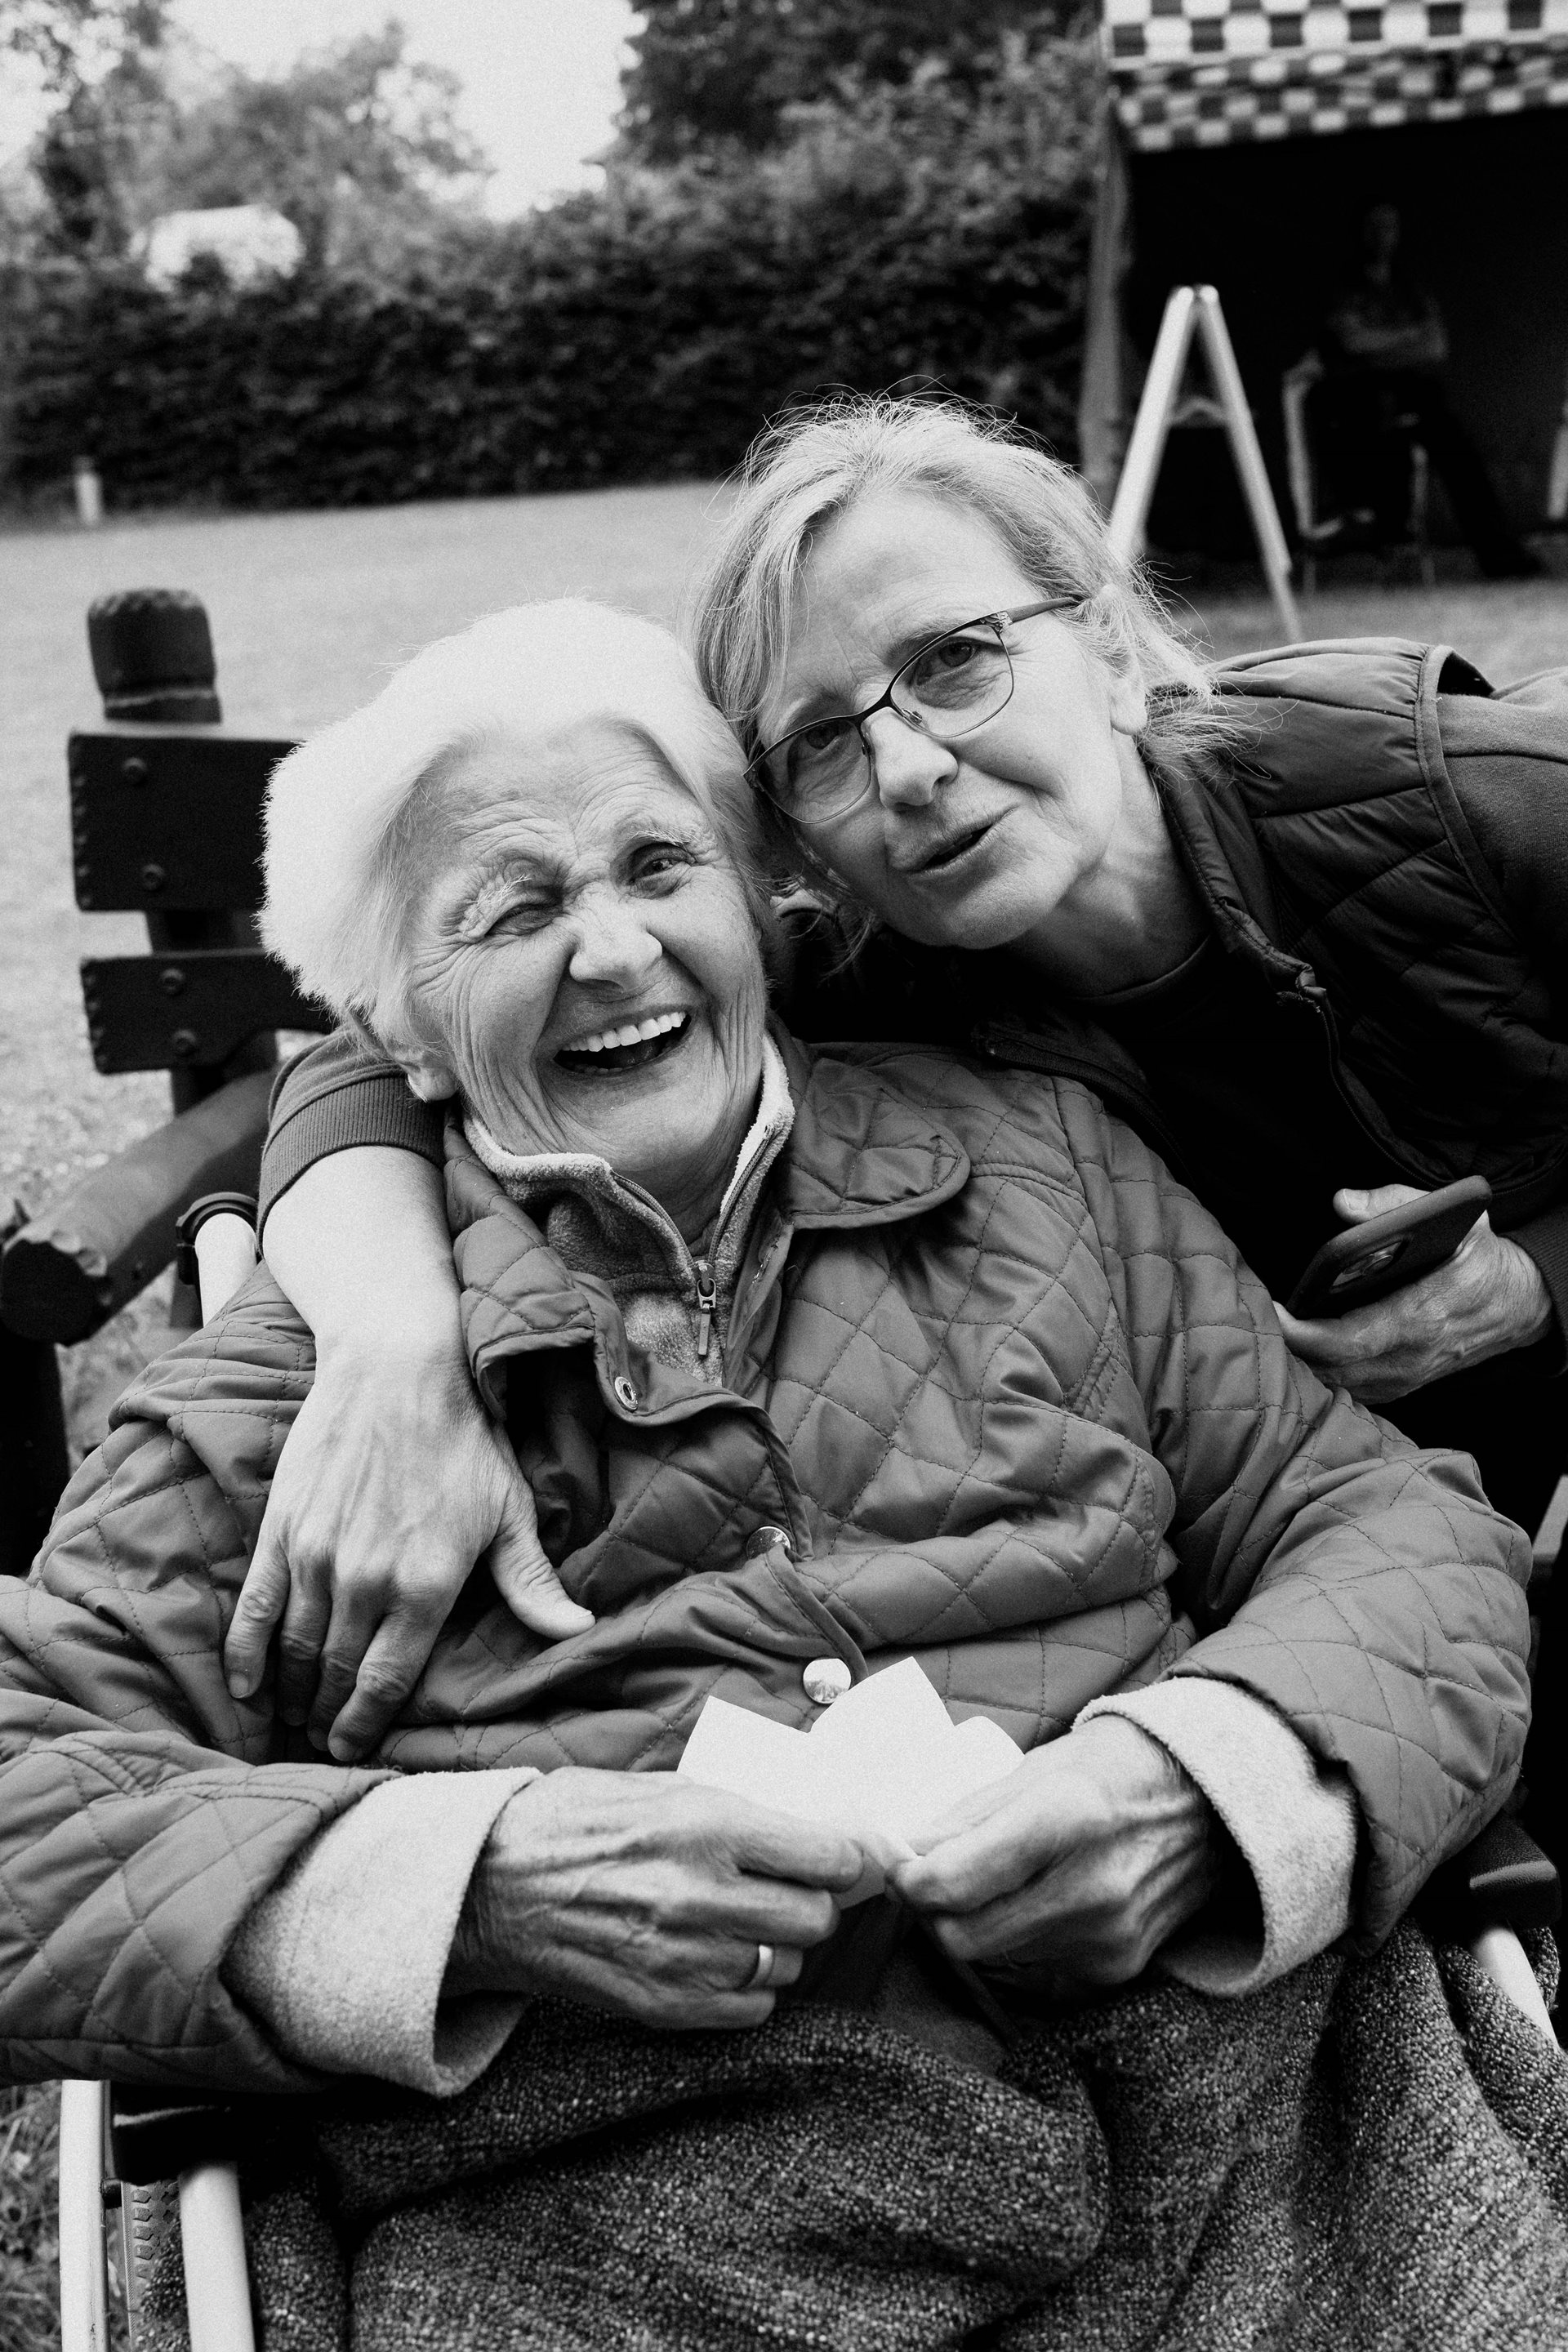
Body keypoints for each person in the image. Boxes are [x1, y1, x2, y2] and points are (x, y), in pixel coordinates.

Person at [0, 602, 1550, 2345]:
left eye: (661, 866)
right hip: (621, 2228)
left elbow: (1395, 1522)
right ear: (400, 1037)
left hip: (1246, 2147)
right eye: (513, 910)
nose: (613, 951)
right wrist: (476, 1883)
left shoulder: (1044, 1169)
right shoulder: (306, 1394)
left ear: (757, 911)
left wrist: (1205, 1782)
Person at [236, 396, 1568, 1878]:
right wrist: (392, 1345)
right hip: (1387, 1590)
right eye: (822, 740)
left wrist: (1543, 1280)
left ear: (1110, 649)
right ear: (790, 843)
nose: (912, 770)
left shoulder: (1452, 802)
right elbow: (387, 1047)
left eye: (955, 660)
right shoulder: (847, 977)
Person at [1312, 202, 1540, 579]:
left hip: (1415, 391)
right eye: (1374, 226)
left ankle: (1501, 557)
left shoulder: (1410, 288)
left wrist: (1382, 345)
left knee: (1461, 453)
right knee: (1382, 439)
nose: (1382, 236)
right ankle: (1386, 538)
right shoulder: (1344, 287)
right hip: (1358, 397)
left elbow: (1435, 346)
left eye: (1390, 227)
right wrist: (1406, 339)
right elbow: (1352, 343)